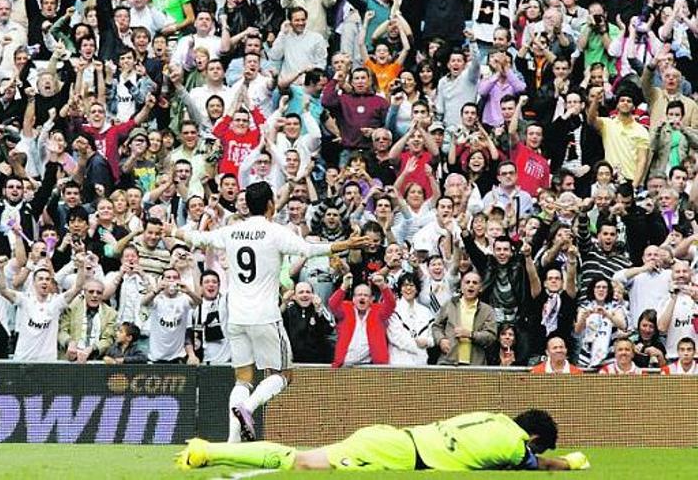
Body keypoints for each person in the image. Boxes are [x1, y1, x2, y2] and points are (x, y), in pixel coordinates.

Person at [168, 181, 368, 443]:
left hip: (236, 316)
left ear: (248, 205)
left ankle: (233, 443)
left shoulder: (232, 231)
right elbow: (308, 250)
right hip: (264, 316)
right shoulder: (275, 232)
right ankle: (247, 409)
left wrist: (173, 231)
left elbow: (199, 238)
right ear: (271, 205)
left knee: (243, 378)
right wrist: (345, 244)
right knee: (283, 374)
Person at [176, 409, 590, 471]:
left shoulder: (493, 416)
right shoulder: (516, 445)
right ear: (532, 436)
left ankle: (210, 450)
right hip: (397, 453)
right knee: (297, 462)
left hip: (392, 437)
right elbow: (537, 466)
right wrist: (570, 462)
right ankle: (207, 449)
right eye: (539, 446)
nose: (535, 453)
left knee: (300, 459)